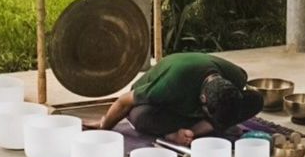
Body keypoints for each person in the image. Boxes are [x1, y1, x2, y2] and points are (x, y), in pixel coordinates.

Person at [92, 52, 263, 147]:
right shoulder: (171, 85)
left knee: (256, 100)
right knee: (139, 116)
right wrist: (103, 127)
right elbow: (124, 102)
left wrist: (194, 131)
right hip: (165, 106)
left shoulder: (236, 76)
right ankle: (175, 134)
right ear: (202, 99)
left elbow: (241, 100)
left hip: (194, 115)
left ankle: (189, 133)